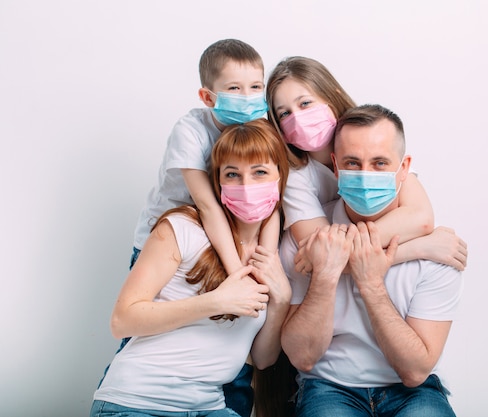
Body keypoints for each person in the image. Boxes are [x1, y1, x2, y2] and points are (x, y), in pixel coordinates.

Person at [90, 119, 292, 417]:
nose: (246, 186)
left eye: (260, 172)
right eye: (232, 174)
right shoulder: (183, 227)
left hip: (207, 407)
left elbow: (262, 359)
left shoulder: (275, 254)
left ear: (280, 177)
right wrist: (214, 302)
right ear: (218, 182)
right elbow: (122, 320)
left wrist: (281, 302)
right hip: (137, 402)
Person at [121, 38, 274, 416]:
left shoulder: (259, 128)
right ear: (208, 96)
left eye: (256, 86)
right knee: (144, 333)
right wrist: (238, 273)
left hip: (227, 234)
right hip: (174, 236)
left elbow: (276, 201)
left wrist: (262, 266)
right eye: (234, 89)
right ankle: (126, 400)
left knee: (229, 342)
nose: (249, 96)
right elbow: (206, 204)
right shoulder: (191, 129)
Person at [280, 104, 464, 417]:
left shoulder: (438, 249)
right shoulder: (307, 241)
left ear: (404, 168)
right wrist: (325, 276)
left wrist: (370, 283)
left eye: (380, 163)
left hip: (411, 391)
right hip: (329, 387)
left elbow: (416, 371)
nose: (365, 176)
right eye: (353, 163)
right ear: (335, 167)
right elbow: (302, 358)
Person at [266, 56, 467, 273]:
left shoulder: (371, 135)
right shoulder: (295, 178)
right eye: (285, 113)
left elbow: (421, 218)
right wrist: (419, 248)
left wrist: (342, 249)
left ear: (332, 97)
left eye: (305, 103)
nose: (297, 119)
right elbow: (323, 258)